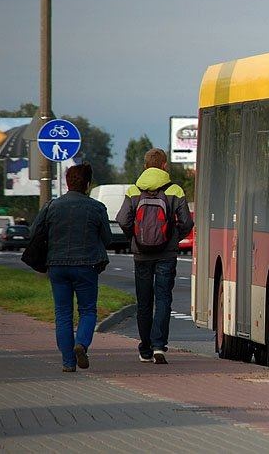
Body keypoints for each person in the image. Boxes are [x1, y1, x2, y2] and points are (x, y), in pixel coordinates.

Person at [30, 163, 112, 372]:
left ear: (67, 183)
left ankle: (68, 362)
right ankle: (81, 344)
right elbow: (108, 238)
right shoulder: (97, 207)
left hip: (57, 266)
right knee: (87, 310)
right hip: (87, 266)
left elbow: (34, 232)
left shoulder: (51, 206)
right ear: (88, 184)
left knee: (63, 313)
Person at [117, 148, 193, 364]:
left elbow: (122, 219)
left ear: (145, 166)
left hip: (141, 254)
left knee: (144, 302)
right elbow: (187, 222)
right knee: (163, 299)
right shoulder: (175, 190)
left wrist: (135, 237)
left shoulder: (134, 190)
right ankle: (159, 346)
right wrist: (173, 238)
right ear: (164, 165)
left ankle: (145, 349)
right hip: (166, 254)